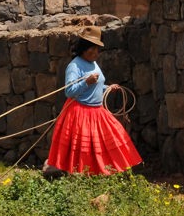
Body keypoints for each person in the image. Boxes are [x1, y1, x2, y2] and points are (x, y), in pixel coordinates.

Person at [45, 26, 142, 175]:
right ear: (84, 48)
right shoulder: (74, 66)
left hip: (97, 111)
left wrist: (108, 87)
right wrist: (86, 82)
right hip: (80, 112)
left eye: (97, 49)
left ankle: (105, 172)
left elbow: (97, 85)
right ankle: (84, 175)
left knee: (113, 137)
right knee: (85, 148)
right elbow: (69, 91)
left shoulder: (93, 63)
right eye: (93, 48)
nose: (96, 53)